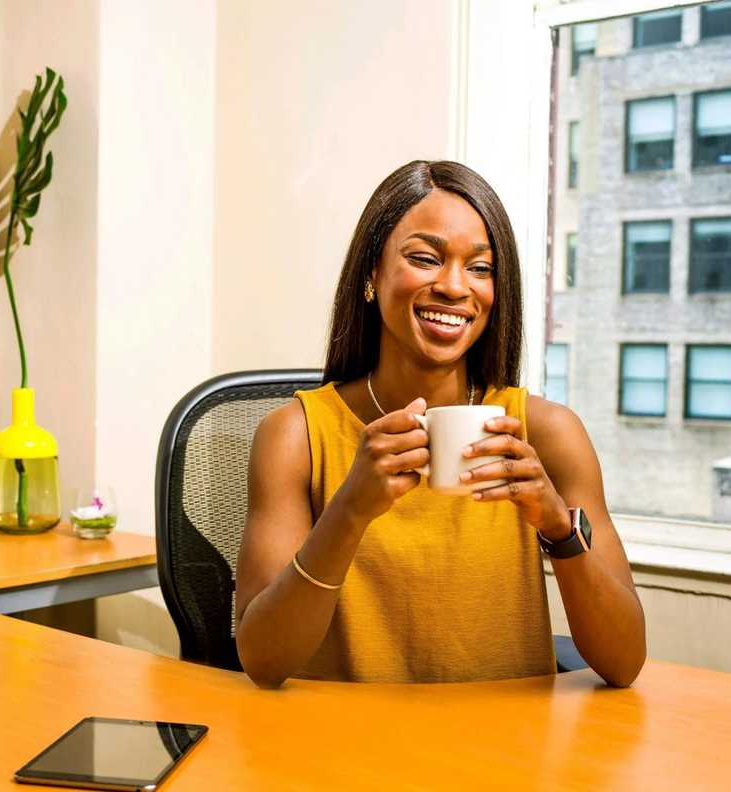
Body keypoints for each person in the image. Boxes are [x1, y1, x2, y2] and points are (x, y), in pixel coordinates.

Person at [235, 160, 646, 688]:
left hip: (504, 750)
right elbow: (264, 661)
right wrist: (349, 510)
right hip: (342, 752)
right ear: (371, 274)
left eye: (480, 268)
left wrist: (557, 527)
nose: (455, 287)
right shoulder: (294, 436)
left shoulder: (548, 433)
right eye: (425, 258)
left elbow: (625, 662)